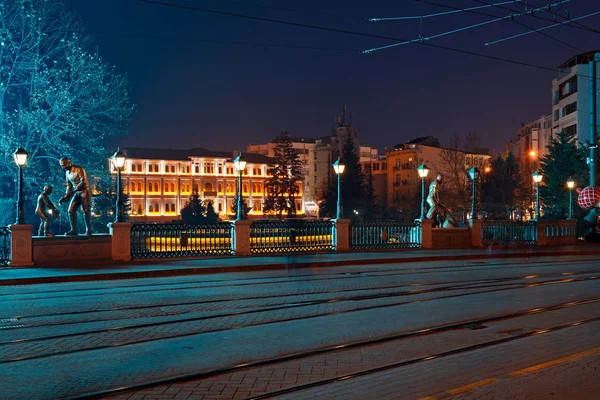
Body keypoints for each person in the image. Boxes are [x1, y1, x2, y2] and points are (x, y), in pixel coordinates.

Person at [58, 157, 92, 236]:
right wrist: (67, 195)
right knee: (71, 210)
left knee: (86, 210)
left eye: (63, 165)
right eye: (61, 166)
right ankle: (74, 230)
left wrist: (75, 191)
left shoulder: (79, 169)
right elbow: (69, 185)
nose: (62, 167)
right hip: (76, 193)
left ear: (69, 163)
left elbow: (83, 181)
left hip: (84, 191)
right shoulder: (67, 173)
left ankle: (89, 229)